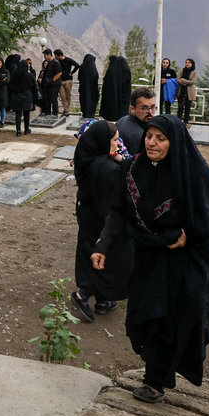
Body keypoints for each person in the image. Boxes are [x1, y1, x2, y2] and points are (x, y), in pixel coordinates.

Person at [91, 115, 209, 403]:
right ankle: (155, 374)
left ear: (174, 142)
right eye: (149, 136)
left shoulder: (190, 174)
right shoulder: (132, 169)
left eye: (160, 138)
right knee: (147, 315)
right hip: (149, 257)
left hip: (184, 262)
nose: (152, 143)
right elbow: (119, 212)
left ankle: (155, 381)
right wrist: (102, 245)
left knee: (176, 320)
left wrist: (190, 235)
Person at [68, 121, 132, 323]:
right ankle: (83, 295)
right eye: (114, 141)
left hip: (88, 213)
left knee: (90, 251)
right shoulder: (107, 168)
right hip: (102, 218)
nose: (117, 145)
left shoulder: (87, 157)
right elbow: (113, 199)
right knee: (104, 255)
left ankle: (104, 298)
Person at [116, 87, 157, 155]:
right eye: (144, 108)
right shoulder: (138, 136)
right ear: (132, 109)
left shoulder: (123, 119)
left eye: (152, 107)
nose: (150, 112)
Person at [6, 54, 34, 137]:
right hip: (27, 96)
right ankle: (26, 129)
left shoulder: (15, 75)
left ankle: (18, 131)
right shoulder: (29, 75)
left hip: (17, 96)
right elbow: (34, 86)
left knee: (18, 114)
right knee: (26, 114)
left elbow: (10, 85)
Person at [99, 55, 132, 122]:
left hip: (111, 98)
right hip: (124, 97)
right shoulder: (126, 71)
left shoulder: (111, 71)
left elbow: (107, 83)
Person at [54, 50, 79, 116]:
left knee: (68, 96)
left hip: (68, 80)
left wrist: (72, 73)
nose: (55, 57)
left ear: (59, 55)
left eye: (56, 56)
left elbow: (77, 65)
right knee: (62, 96)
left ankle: (66, 110)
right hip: (61, 81)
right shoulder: (57, 62)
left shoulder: (68, 60)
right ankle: (66, 110)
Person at [77, 54, 99, 119]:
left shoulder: (82, 67)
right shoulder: (93, 68)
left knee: (84, 100)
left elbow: (79, 77)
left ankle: (85, 114)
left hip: (83, 88)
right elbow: (96, 77)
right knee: (92, 101)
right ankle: (91, 114)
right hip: (93, 89)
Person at [176, 58, 197, 125]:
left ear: (192, 64)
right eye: (186, 62)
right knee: (180, 108)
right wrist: (184, 82)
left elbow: (192, 82)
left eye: (189, 63)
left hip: (189, 93)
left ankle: (185, 122)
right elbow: (178, 79)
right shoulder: (182, 70)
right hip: (181, 91)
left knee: (187, 109)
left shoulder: (194, 72)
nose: (187, 64)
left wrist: (183, 81)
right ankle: (178, 122)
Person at [41, 49, 62, 116]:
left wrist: (52, 80)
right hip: (48, 85)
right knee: (47, 99)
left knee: (53, 99)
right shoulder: (49, 62)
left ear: (49, 55)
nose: (44, 57)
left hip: (54, 85)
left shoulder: (56, 62)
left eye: (45, 55)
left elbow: (59, 73)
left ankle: (55, 113)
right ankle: (48, 112)